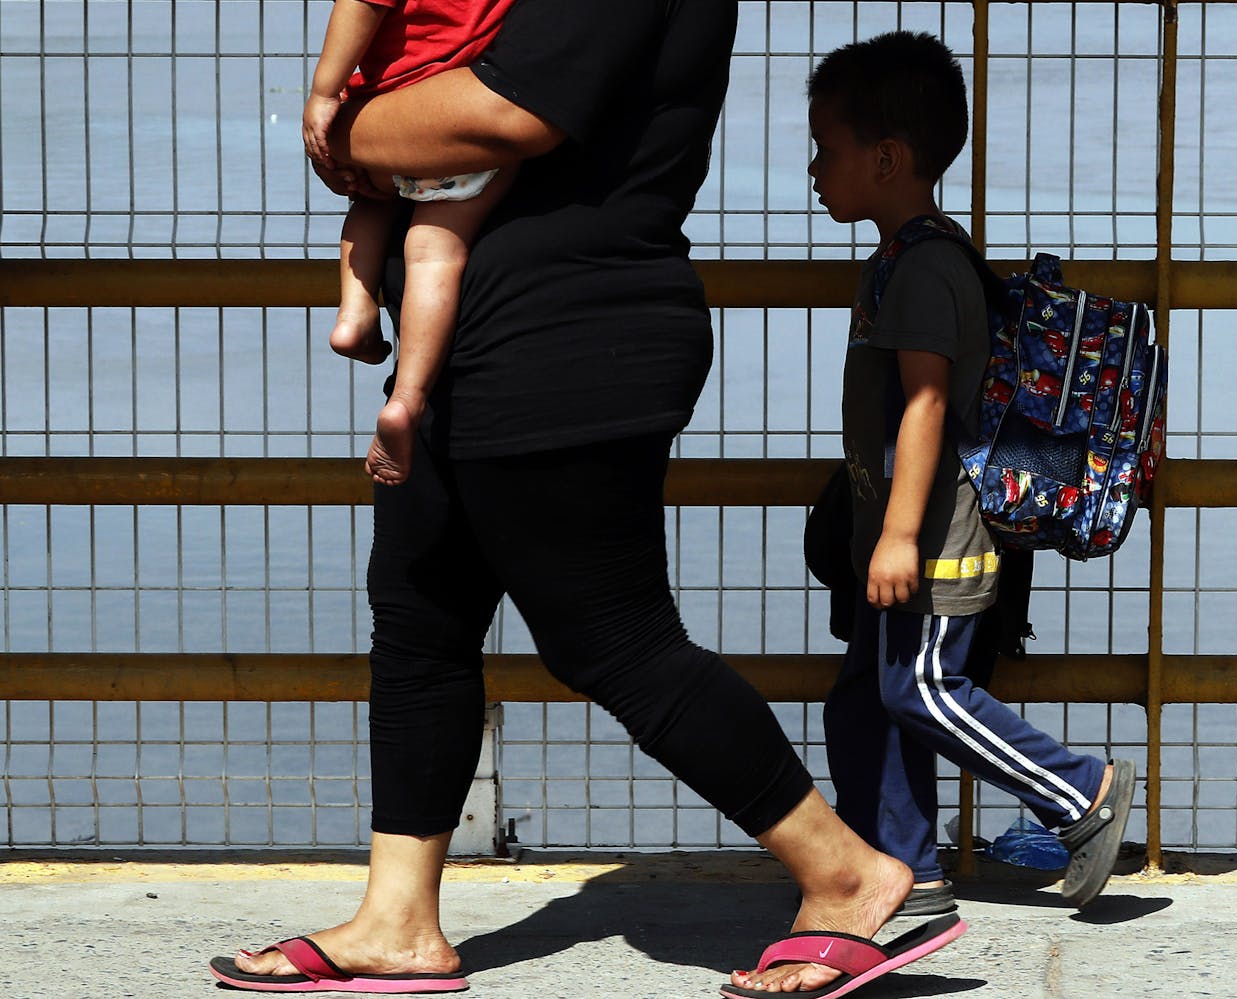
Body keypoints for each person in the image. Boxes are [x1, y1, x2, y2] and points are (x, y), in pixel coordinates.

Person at [208, 3, 963, 997]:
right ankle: (396, 922)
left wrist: (340, 124)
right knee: (421, 616)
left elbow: (503, 115)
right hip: (478, 342)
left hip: (568, 331)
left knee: (612, 637)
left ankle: (848, 873)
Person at [808, 29, 1138, 919]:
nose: (812, 168)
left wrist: (899, 537)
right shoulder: (902, 260)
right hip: (902, 530)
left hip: (934, 535)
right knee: (861, 705)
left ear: (887, 158)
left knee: (919, 688)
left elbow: (923, 408)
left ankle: (1080, 792)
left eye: (825, 149)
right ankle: (906, 872)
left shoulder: (924, 270)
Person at [306, 0, 516, 486]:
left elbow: (361, 6)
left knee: (371, 202)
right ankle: (408, 398)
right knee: (437, 252)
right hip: (457, 121)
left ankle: (354, 314)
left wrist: (322, 92)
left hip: (385, 117)